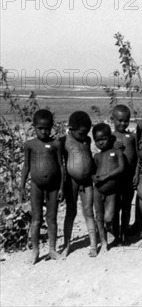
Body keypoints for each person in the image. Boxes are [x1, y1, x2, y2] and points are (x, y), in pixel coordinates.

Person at [20, 109, 65, 264]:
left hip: (53, 186)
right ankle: (35, 251)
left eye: (47, 128)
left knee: (51, 218)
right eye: (40, 128)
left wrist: (61, 187)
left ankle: (52, 249)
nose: (44, 132)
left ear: (52, 126)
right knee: (36, 219)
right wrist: (21, 186)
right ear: (34, 127)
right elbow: (26, 166)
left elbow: (61, 167)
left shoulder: (56, 144)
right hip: (36, 186)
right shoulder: (30, 145)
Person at [62, 111, 98, 257]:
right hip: (71, 181)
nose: (84, 136)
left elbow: (89, 156)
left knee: (89, 211)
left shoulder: (87, 141)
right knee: (71, 212)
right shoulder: (64, 141)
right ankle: (66, 245)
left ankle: (94, 244)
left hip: (87, 181)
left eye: (86, 133)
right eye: (81, 133)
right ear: (70, 129)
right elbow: (59, 163)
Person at [92, 123, 125, 252]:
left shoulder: (117, 152)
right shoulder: (97, 156)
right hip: (98, 190)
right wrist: (94, 178)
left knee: (109, 218)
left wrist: (106, 177)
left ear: (110, 138)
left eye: (103, 139)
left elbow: (121, 168)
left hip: (112, 191)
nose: (100, 142)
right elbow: (93, 172)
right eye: (97, 140)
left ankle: (115, 234)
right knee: (99, 217)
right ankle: (104, 241)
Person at [111, 105, 137, 243]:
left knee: (126, 206)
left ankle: (125, 231)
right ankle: (116, 235)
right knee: (115, 207)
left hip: (129, 177)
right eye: (119, 120)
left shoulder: (132, 137)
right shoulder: (110, 138)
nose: (123, 123)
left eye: (126, 121)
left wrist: (136, 174)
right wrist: (112, 146)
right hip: (116, 179)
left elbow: (137, 157)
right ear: (112, 119)